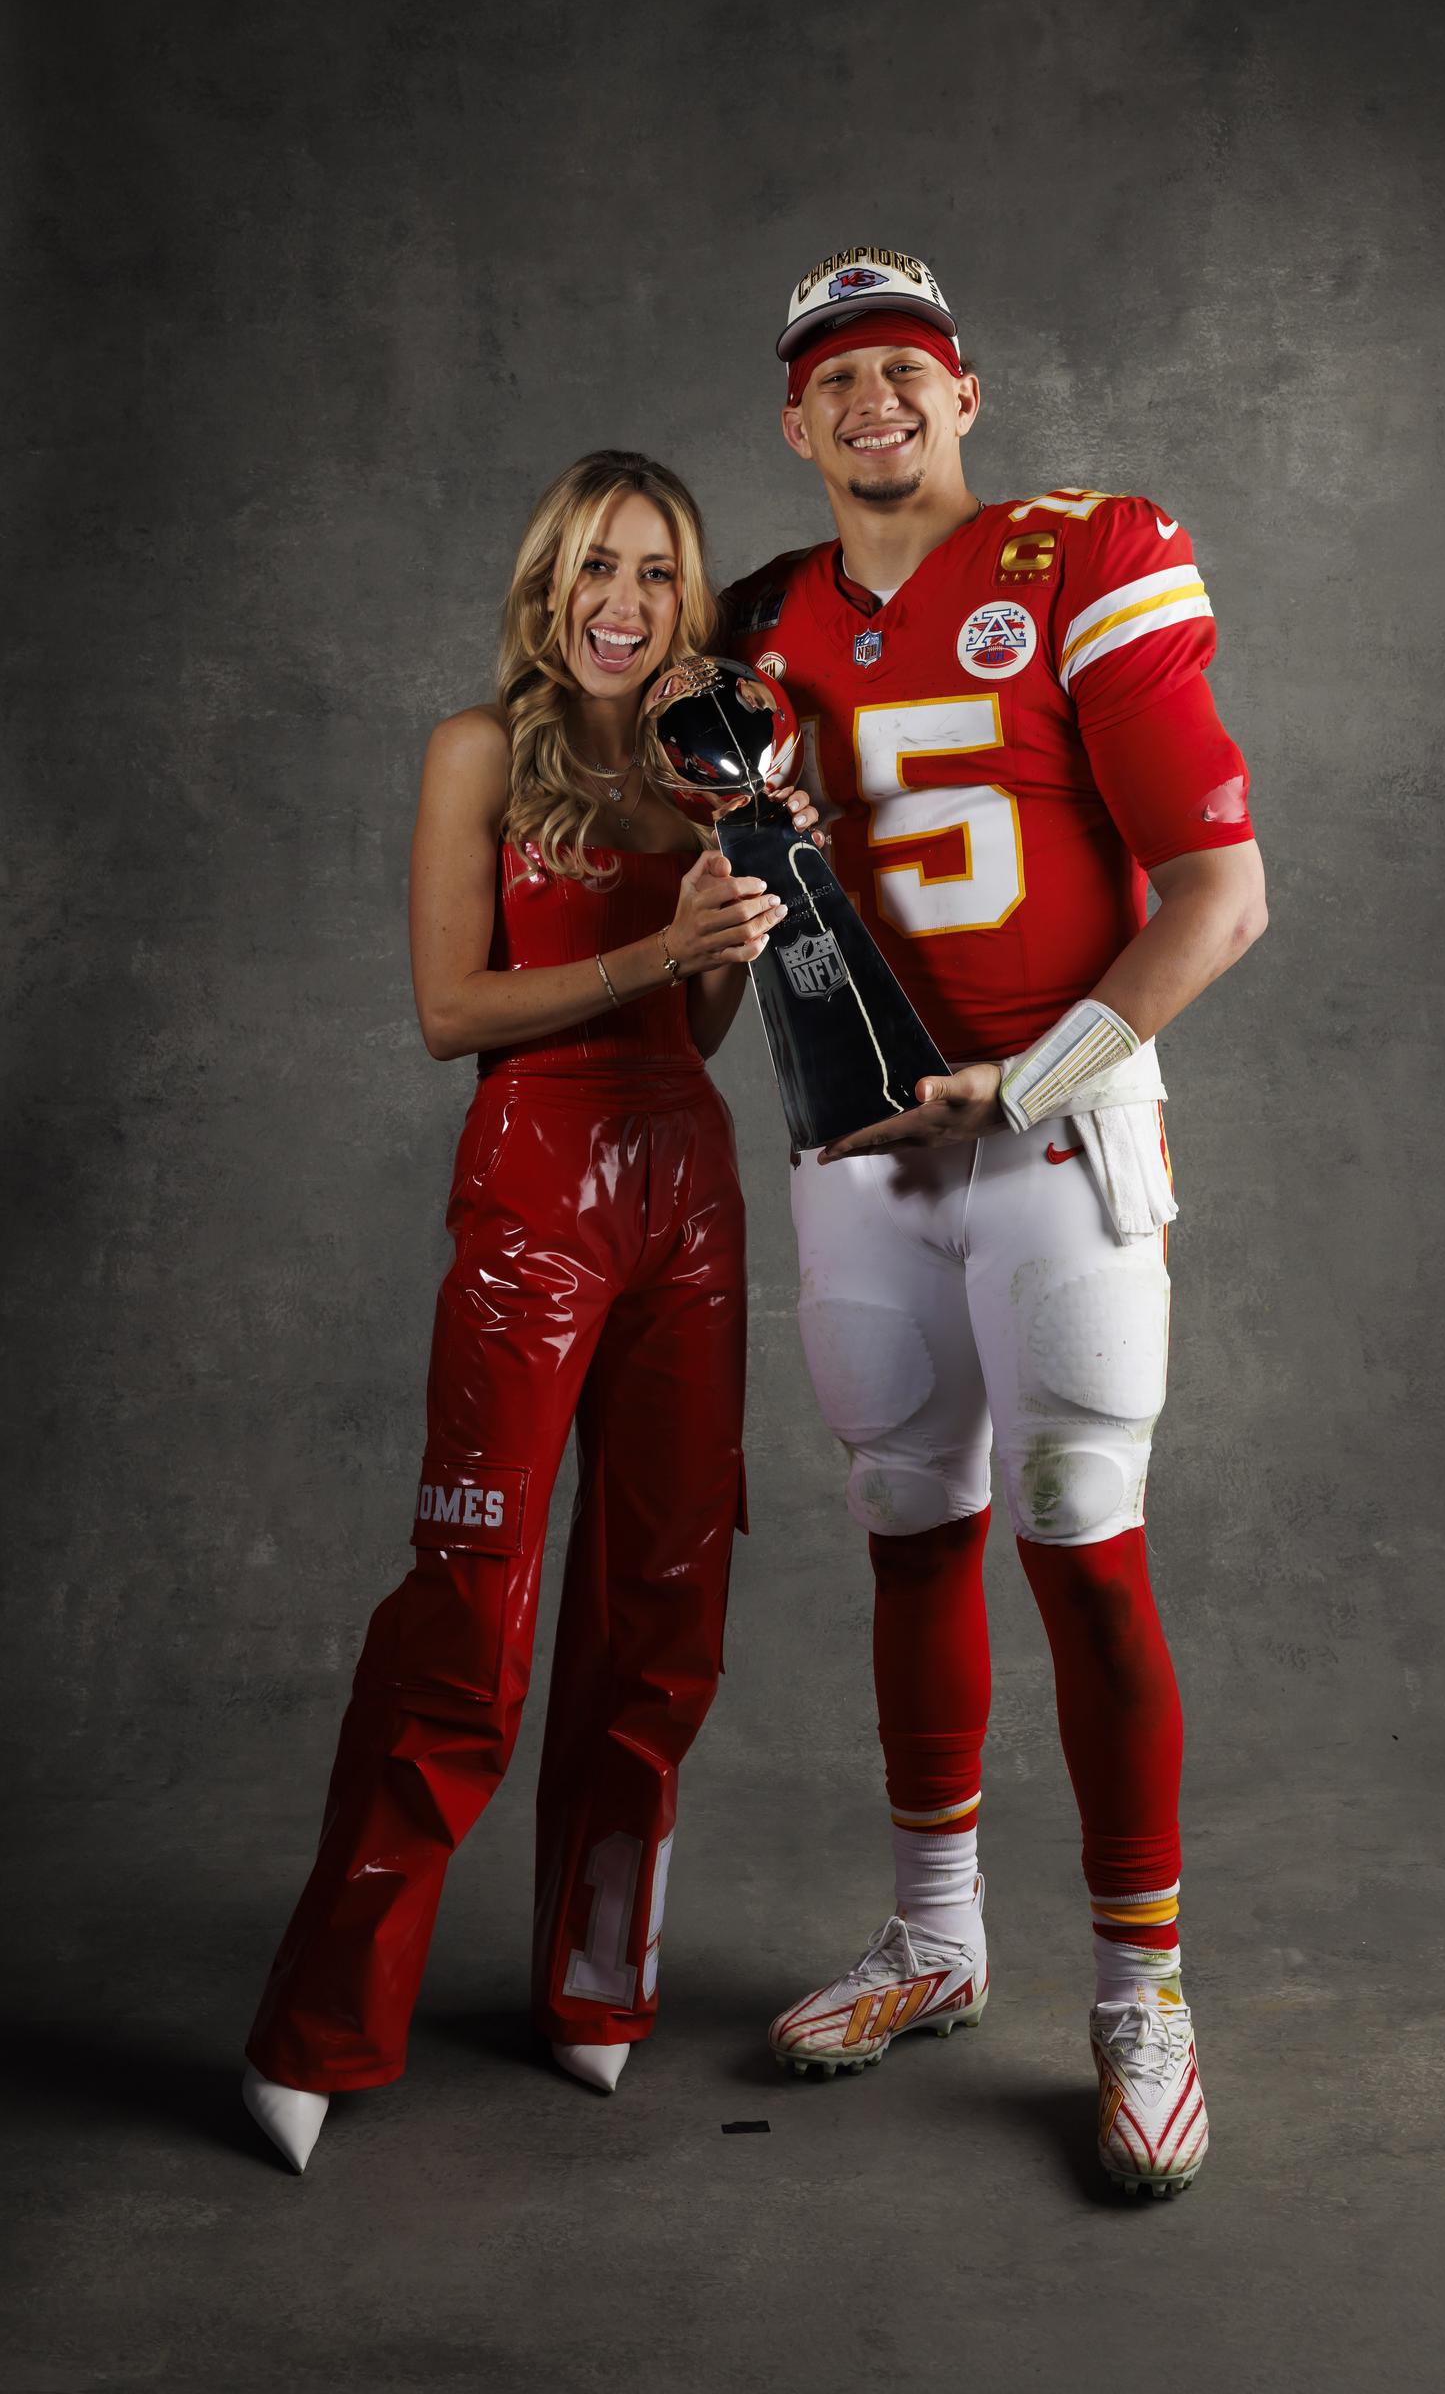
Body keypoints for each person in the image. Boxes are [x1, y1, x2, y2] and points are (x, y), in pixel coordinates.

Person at [724, 251, 1268, 2195]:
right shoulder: (753, 624)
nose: (870, 401)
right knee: (905, 1538)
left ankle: (1143, 1995)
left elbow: (1220, 891)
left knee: (1085, 1557)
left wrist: (1022, 1080)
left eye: (903, 369)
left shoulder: (1078, 556)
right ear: (794, 424)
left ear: (968, 395)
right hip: (863, 1148)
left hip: (1053, 1138)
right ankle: (936, 1942)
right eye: (831, 379)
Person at [243, 450, 812, 2171]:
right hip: (532, 1194)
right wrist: (654, 952)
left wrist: (729, 914)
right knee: (469, 1622)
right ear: (547, 589)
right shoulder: (478, 751)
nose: (624, 603)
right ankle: (321, 2023)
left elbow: (698, 1035)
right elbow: (447, 1011)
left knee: (663, 1613)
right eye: (593, 571)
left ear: (688, 595)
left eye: (654, 572)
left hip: (685, 1196)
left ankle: (593, 1988)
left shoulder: (706, 761)